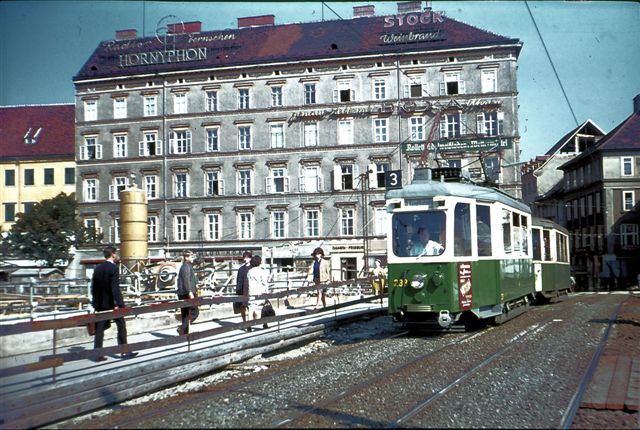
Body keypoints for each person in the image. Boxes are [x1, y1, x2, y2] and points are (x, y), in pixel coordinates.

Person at [91, 245, 138, 362]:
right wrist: (118, 303)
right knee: (121, 325)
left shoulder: (98, 268)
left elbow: (93, 288)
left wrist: (96, 303)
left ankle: (97, 354)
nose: (117, 256)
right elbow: (114, 288)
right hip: (112, 303)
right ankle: (124, 351)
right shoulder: (113, 269)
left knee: (99, 328)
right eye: (115, 254)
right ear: (112, 254)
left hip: (100, 304)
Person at [177, 250, 199, 335]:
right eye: (191, 256)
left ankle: (184, 333)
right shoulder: (186, 267)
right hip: (186, 293)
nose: (193, 258)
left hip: (183, 293)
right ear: (186, 257)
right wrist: (190, 292)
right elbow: (186, 280)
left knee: (185, 314)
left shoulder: (187, 266)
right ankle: (182, 328)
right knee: (195, 312)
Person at [246, 255, 270, 329]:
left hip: (252, 291)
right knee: (264, 308)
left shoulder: (249, 271)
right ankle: (265, 324)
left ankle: (249, 325)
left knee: (251, 308)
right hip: (261, 292)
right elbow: (264, 283)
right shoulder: (262, 271)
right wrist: (267, 291)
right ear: (259, 262)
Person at [234, 251, 252, 325]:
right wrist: (238, 291)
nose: (245, 259)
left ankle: (250, 322)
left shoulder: (253, 268)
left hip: (251, 289)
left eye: (247, 258)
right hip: (242, 290)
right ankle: (245, 321)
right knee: (243, 307)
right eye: (244, 257)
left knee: (250, 307)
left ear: (250, 258)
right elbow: (239, 281)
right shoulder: (241, 269)